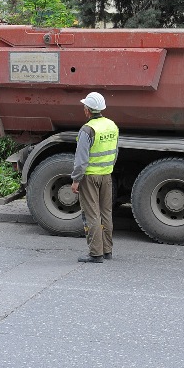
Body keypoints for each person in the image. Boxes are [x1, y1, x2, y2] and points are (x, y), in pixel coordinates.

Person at [70, 91, 119, 263]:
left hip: (90, 177)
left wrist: (76, 179)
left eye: (84, 107)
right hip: (106, 175)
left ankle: (95, 253)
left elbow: (81, 160)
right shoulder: (112, 125)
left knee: (92, 214)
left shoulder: (87, 129)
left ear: (88, 110)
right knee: (106, 212)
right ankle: (107, 250)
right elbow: (115, 152)